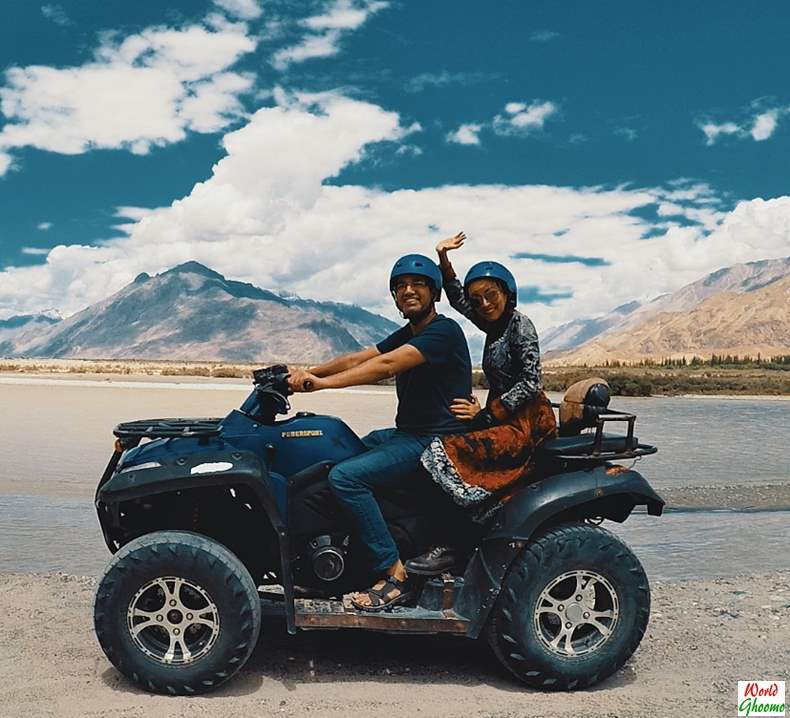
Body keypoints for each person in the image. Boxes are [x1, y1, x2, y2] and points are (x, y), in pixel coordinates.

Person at [288, 254, 472, 611]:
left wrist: (321, 385)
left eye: (417, 284)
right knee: (345, 445)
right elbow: (360, 358)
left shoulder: (443, 332)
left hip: (436, 441)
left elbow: (384, 366)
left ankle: (394, 573)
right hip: (410, 433)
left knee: (346, 477)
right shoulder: (411, 332)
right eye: (400, 286)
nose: (408, 291)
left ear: (434, 291)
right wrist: (304, 373)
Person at [406, 232, 557, 576]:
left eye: (492, 295)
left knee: (444, 453)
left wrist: (487, 412)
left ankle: (452, 547)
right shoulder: (492, 324)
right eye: (479, 299)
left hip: (527, 424)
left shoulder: (521, 326)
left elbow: (532, 383)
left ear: (507, 293)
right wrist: (442, 258)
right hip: (501, 418)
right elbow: (458, 300)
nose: (485, 303)